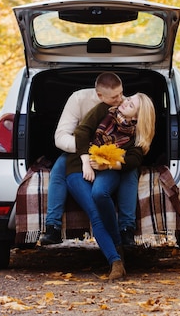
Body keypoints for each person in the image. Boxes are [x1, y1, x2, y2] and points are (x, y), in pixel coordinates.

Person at [39, 72, 139, 246]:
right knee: (59, 167)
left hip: (115, 151)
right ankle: (53, 227)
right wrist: (90, 152)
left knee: (130, 172)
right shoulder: (78, 99)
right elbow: (61, 137)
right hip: (83, 149)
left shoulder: (125, 104)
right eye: (115, 97)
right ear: (100, 96)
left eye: (121, 93)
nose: (121, 99)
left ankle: (126, 229)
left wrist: (112, 157)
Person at [65, 93, 156, 281]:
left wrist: (107, 165)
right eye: (128, 99)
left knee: (100, 194)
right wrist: (84, 161)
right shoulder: (104, 110)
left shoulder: (134, 136)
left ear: (137, 117)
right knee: (95, 214)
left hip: (107, 169)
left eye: (131, 105)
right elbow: (81, 132)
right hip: (78, 168)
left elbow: (134, 160)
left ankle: (118, 250)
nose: (126, 102)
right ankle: (116, 260)